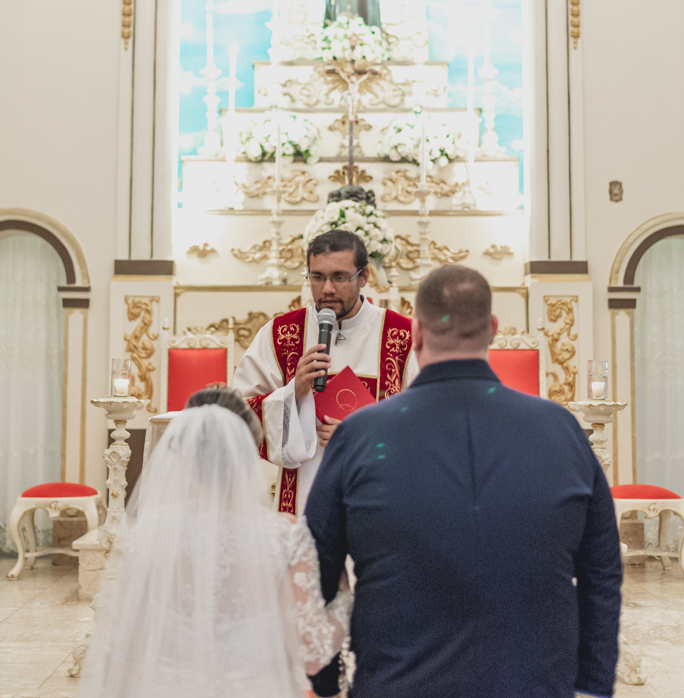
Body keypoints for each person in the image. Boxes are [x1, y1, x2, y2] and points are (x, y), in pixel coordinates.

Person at [305, 265, 623, 698]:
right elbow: (602, 568)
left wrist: (324, 679)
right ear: (492, 329)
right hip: (535, 683)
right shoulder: (560, 429)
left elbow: (317, 563)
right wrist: (593, 685)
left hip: (398, 682)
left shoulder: (360, 434)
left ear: (415, 334)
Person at [80, 387, 351, 698]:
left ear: (183, 453)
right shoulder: (283, 536)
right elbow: (313, 656)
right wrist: (345, 600)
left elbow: (123, 649)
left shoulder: (152, 532)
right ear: (250, 450)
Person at [232, 229, 416, 516]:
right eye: (317, 277)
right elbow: (239, 415)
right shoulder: (282, 334)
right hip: (302, 500)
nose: (327, 288)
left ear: (364, 277)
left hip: (378, 497)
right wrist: (294, 392)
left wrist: (366, 436)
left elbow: (431, 418)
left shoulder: (402, 336)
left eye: (340, 277)